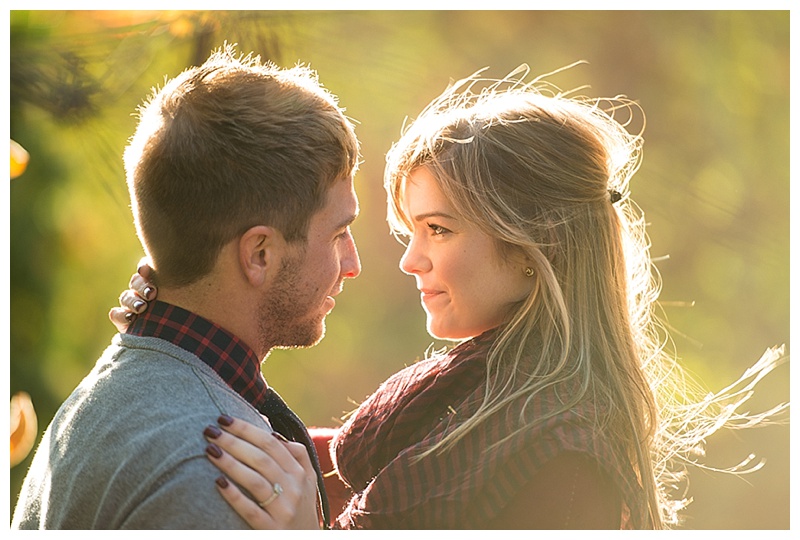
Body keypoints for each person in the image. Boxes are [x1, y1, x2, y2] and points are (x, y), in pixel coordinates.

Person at [112, 65, 787, 529]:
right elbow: (313, 458)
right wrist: (172, 310)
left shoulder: (566, 458)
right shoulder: (461, 395)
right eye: (410, 230)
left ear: (532, 247)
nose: (410, 259)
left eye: (438, 229)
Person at [11, 44, 362, 529]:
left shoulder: (102, 397)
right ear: (259, 254)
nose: (353, 264)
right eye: (339, 234)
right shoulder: (229, 482)